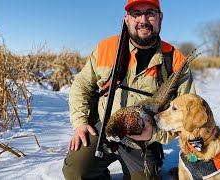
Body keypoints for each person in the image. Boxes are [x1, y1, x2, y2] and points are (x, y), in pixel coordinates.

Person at [62, 0, 196, 179]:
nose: (143, 20)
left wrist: (154, 134)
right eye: (136, 14)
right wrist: (80, 123)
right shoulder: (106, 48)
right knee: (74, 172)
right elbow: (81, 87)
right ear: (126, 19)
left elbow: (188, 116)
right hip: (104, 128)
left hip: (146, 138)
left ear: (160, 17)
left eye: (150, 13)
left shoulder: (176, 60)